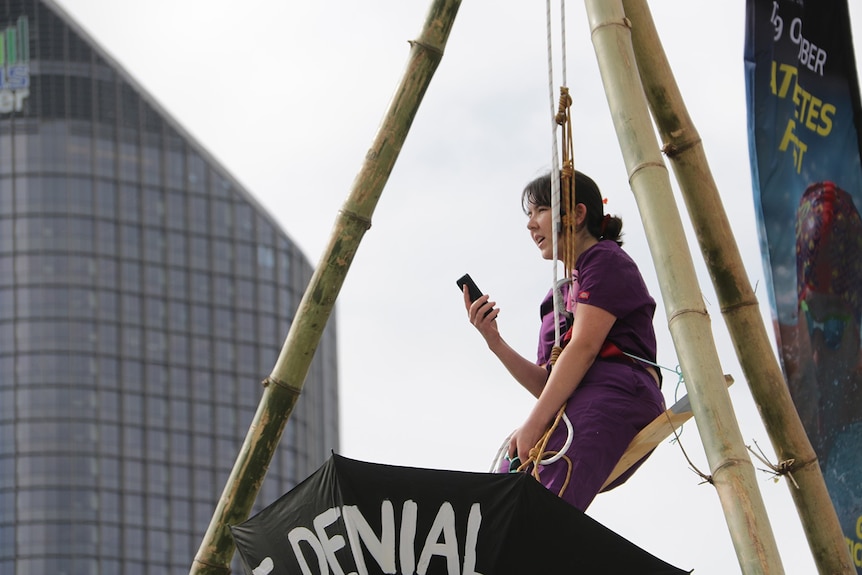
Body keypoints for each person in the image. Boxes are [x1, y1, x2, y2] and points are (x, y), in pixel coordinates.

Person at [463, 170, 665, 511]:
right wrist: (494, 341)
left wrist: (533, 424)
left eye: (540, 210)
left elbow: (584, 348)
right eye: (529, 215)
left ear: (577, 214)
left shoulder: (604, 260)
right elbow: (549, 383)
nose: (531, 225)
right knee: (506, 483)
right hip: (576, 404)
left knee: (541, 501)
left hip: (618, 394)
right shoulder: (556, 298)